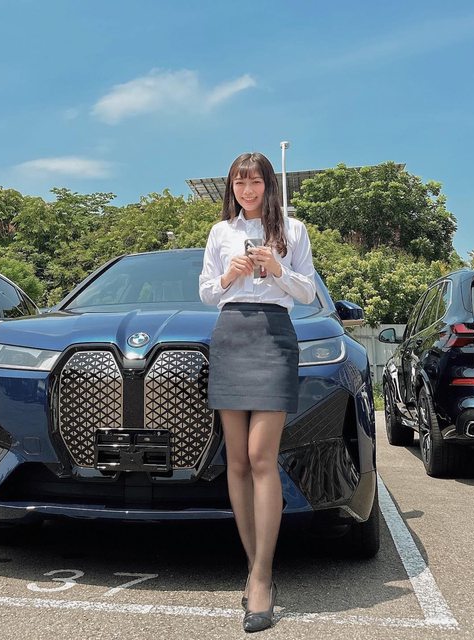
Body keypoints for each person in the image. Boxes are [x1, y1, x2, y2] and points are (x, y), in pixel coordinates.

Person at [199, 152, 316, 633]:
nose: (247, 191)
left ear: (269, 184)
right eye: (239, 183)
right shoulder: (220, 232)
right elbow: (207, 292)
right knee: (238, 462)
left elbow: (308, 293)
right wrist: (229, 275)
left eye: (255, 182)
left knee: (261, 456)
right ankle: (253, 567)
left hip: (273, 336)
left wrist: (277, 268)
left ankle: (263, 577)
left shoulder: (293, 229)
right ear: (232, 188)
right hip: (230, 334)